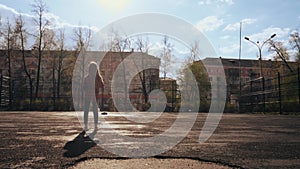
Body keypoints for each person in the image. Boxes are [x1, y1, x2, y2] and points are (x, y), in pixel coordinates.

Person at [83, 61, 104, 131]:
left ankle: (86, 126)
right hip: (95, 96)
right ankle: (95, 126)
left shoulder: (87, 78)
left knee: (86, 110)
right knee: (95, 111)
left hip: (88, 96)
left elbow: (84, 87)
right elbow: (102, 85)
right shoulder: (98, 78)